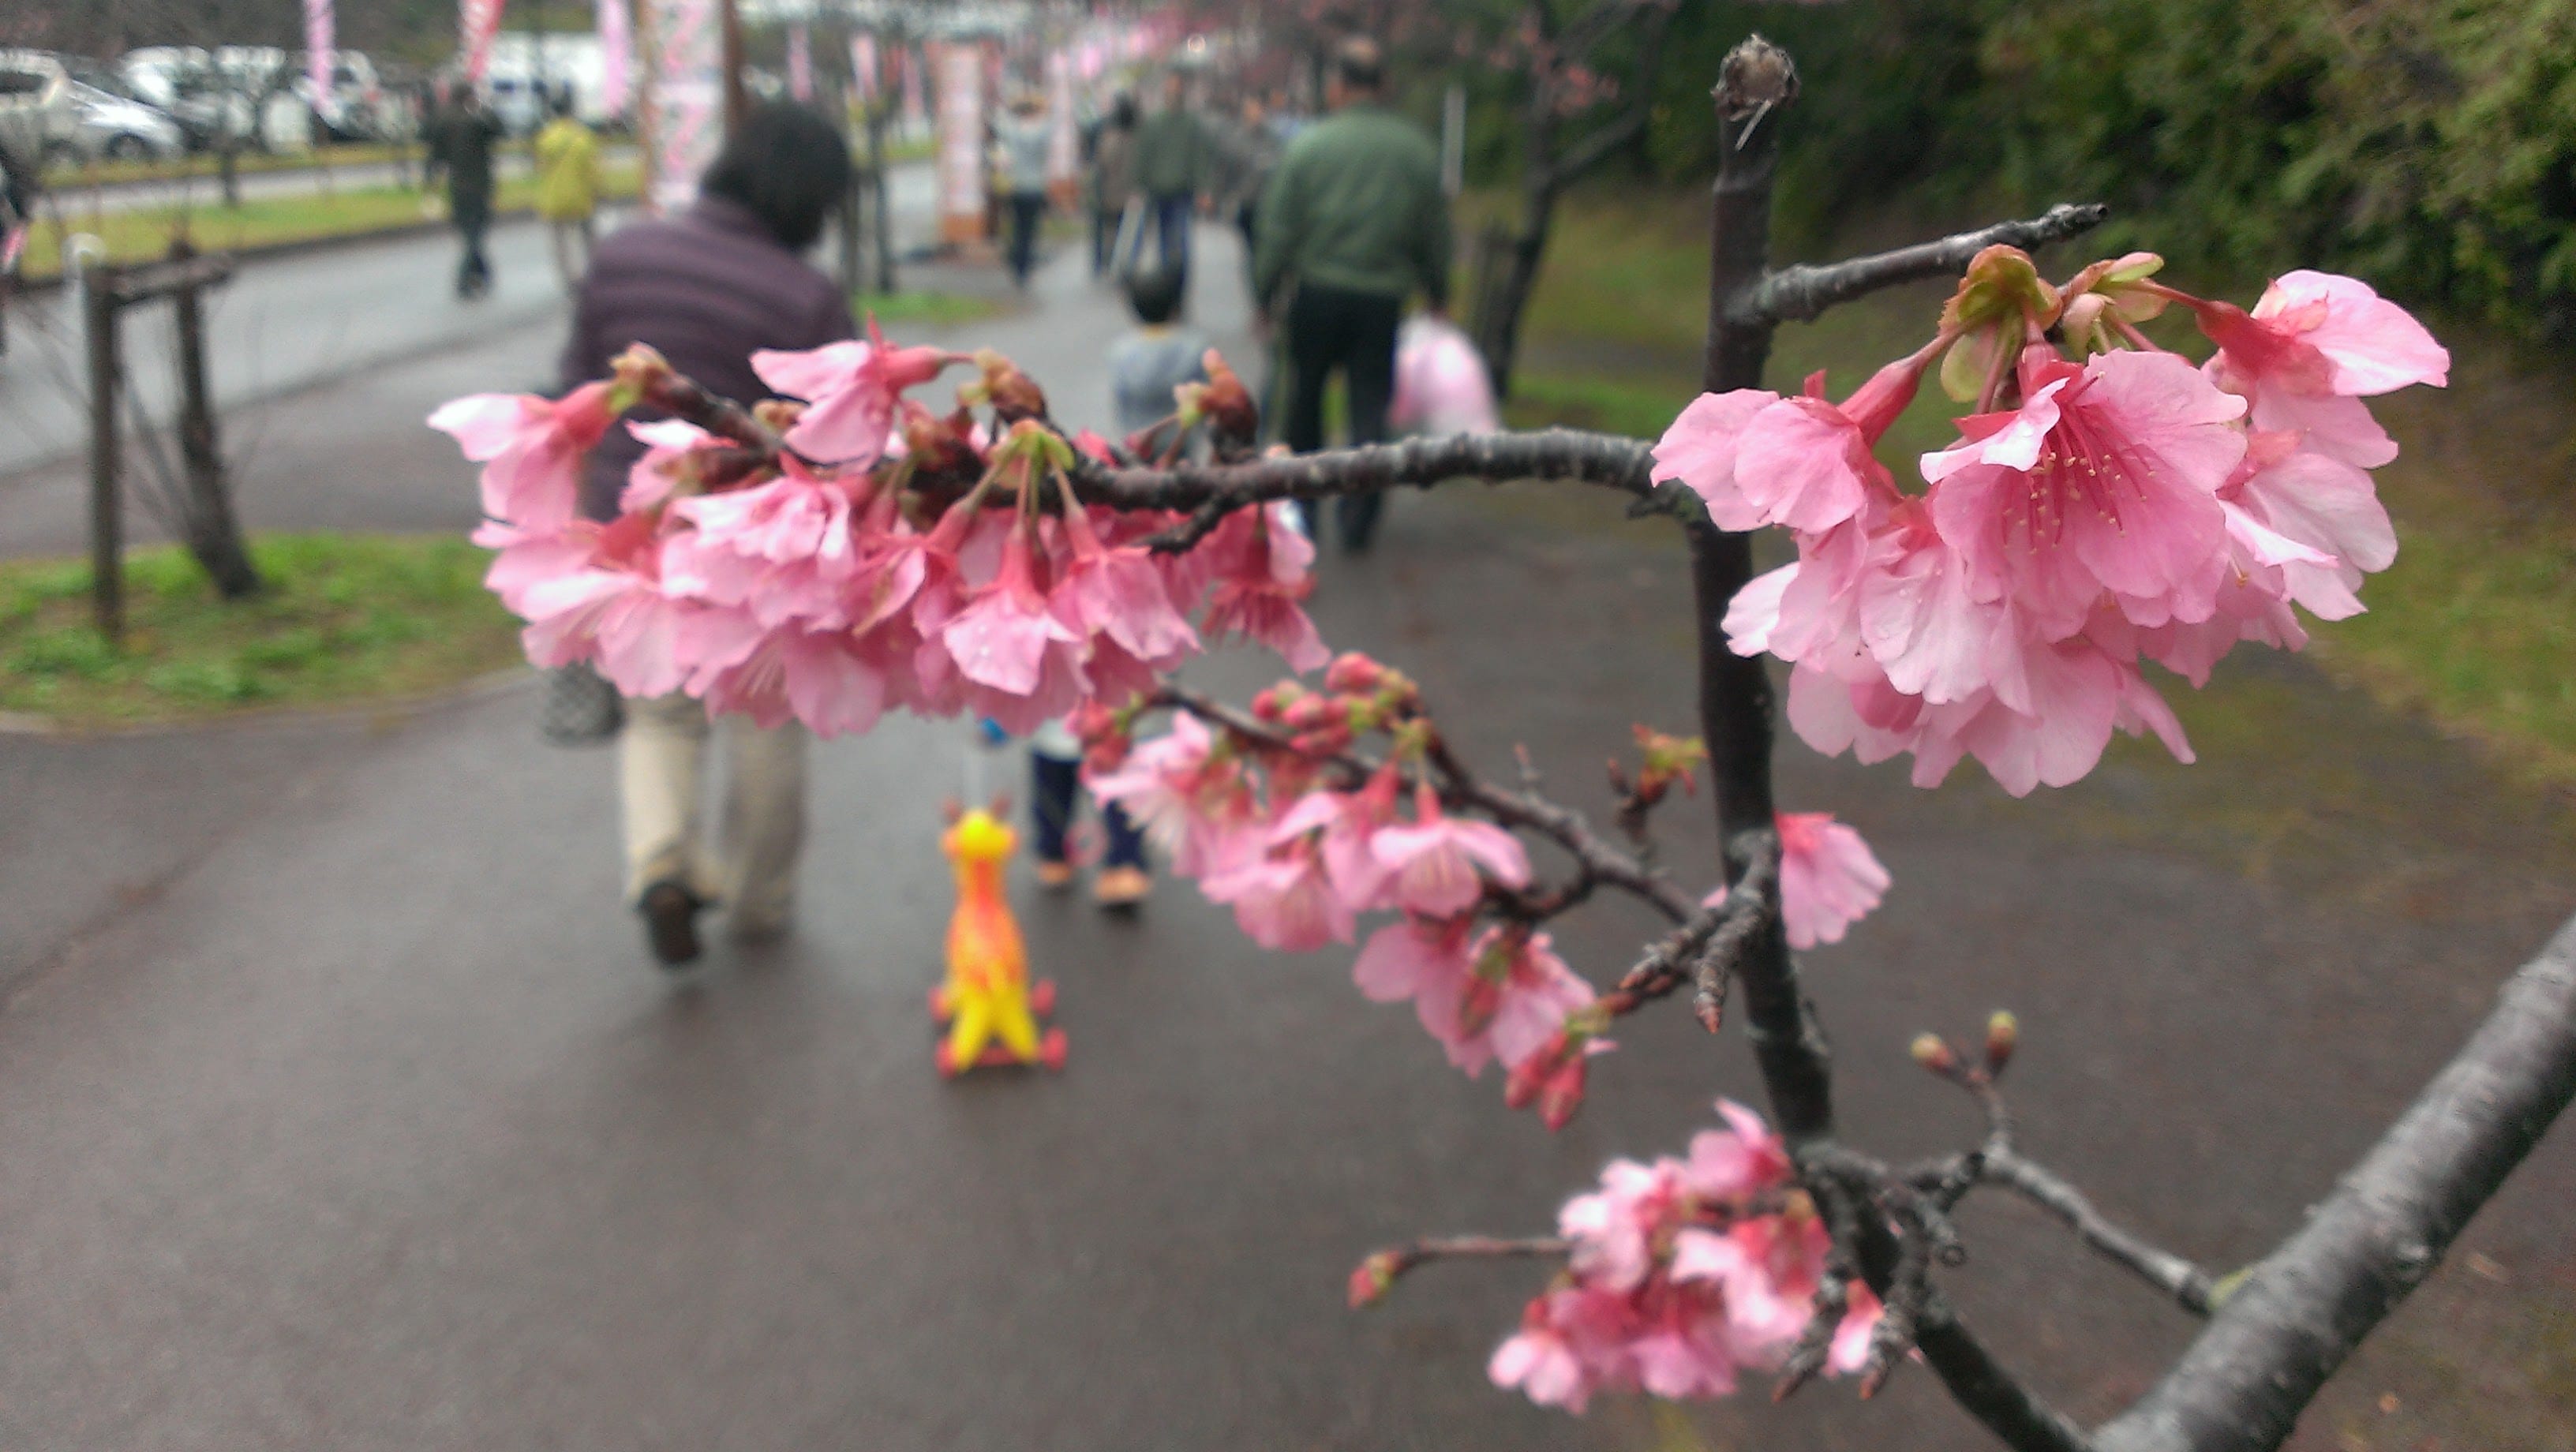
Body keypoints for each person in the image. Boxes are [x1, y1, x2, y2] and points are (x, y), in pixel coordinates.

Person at [557, 103, 859, 967]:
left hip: (635, 526)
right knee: (765, 718)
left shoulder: (624, 252)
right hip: (755, 549)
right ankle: (761, 905)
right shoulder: (804, 293)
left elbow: (579, 386)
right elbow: (834, 438)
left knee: (659, 716)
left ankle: (661, 863)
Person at [1253, 37, 1451, 553]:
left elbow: (1277, 229)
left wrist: (1263, 294)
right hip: (1380, 302)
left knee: (1306, 405)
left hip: (1316, 295)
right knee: (1370, 407)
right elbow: (1434, 231)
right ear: (1383, 87)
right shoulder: (1415, 149)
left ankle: (1303, 510)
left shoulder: (1309, 146)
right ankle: (1360, 516)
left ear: (1338, 87)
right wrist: (1438, 291)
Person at [1108, 264, 1208, 446]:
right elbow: (1204, 395)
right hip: (1180, 436)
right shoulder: (1194, 346)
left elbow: (1121, 398)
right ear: (1176, 306)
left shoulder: (1121, 351)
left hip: (1139, 434)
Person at [1129, 70, 1211, 290]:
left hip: (1178, 190)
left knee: (1178, 238)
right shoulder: (1158, 123)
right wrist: (1138, 185)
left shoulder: (1189, 124)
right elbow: (1144, 156)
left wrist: (1203, 189)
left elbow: (1199, 157)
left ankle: (1176, 281)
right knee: (1169, 238)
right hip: (1162, 189)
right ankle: (1171, 282)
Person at [424, 83, 504, 299]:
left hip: (457, 184)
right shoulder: (476, 122)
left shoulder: (442, 122)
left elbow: (434, 154)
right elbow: (498, 130)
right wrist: (483, 107)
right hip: (480, 183)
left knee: (468, 230)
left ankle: (480, 275)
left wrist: (430, 185)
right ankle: (467, 277)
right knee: (476, 232)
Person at [533, 94, 601, 292]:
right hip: (581, 196)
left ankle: (568, 277)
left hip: (554, 196)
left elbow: (540, 168)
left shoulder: (546, 138)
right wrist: (599, 190)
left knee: (559, 242)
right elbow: (592, 168)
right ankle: (594, 272)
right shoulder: (583, 136)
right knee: (588, 236)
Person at [994, 90, 1052, 290]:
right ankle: (1024, 266)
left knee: (1017, 225)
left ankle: (1016, 261)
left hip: (1015, 184)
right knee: (1029, 228)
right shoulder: (1043, 131)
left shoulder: (1011, 130)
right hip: (1035, 185)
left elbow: (999, 123)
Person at [1088, 92, 1136, 277]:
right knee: (1127, 229)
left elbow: (1103, 162)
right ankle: (1124, 262)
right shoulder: (1137, 137)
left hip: (1110, 190)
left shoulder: (1109, 136)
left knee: (1106, 227)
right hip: (1130, 193)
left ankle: (1104, 261)